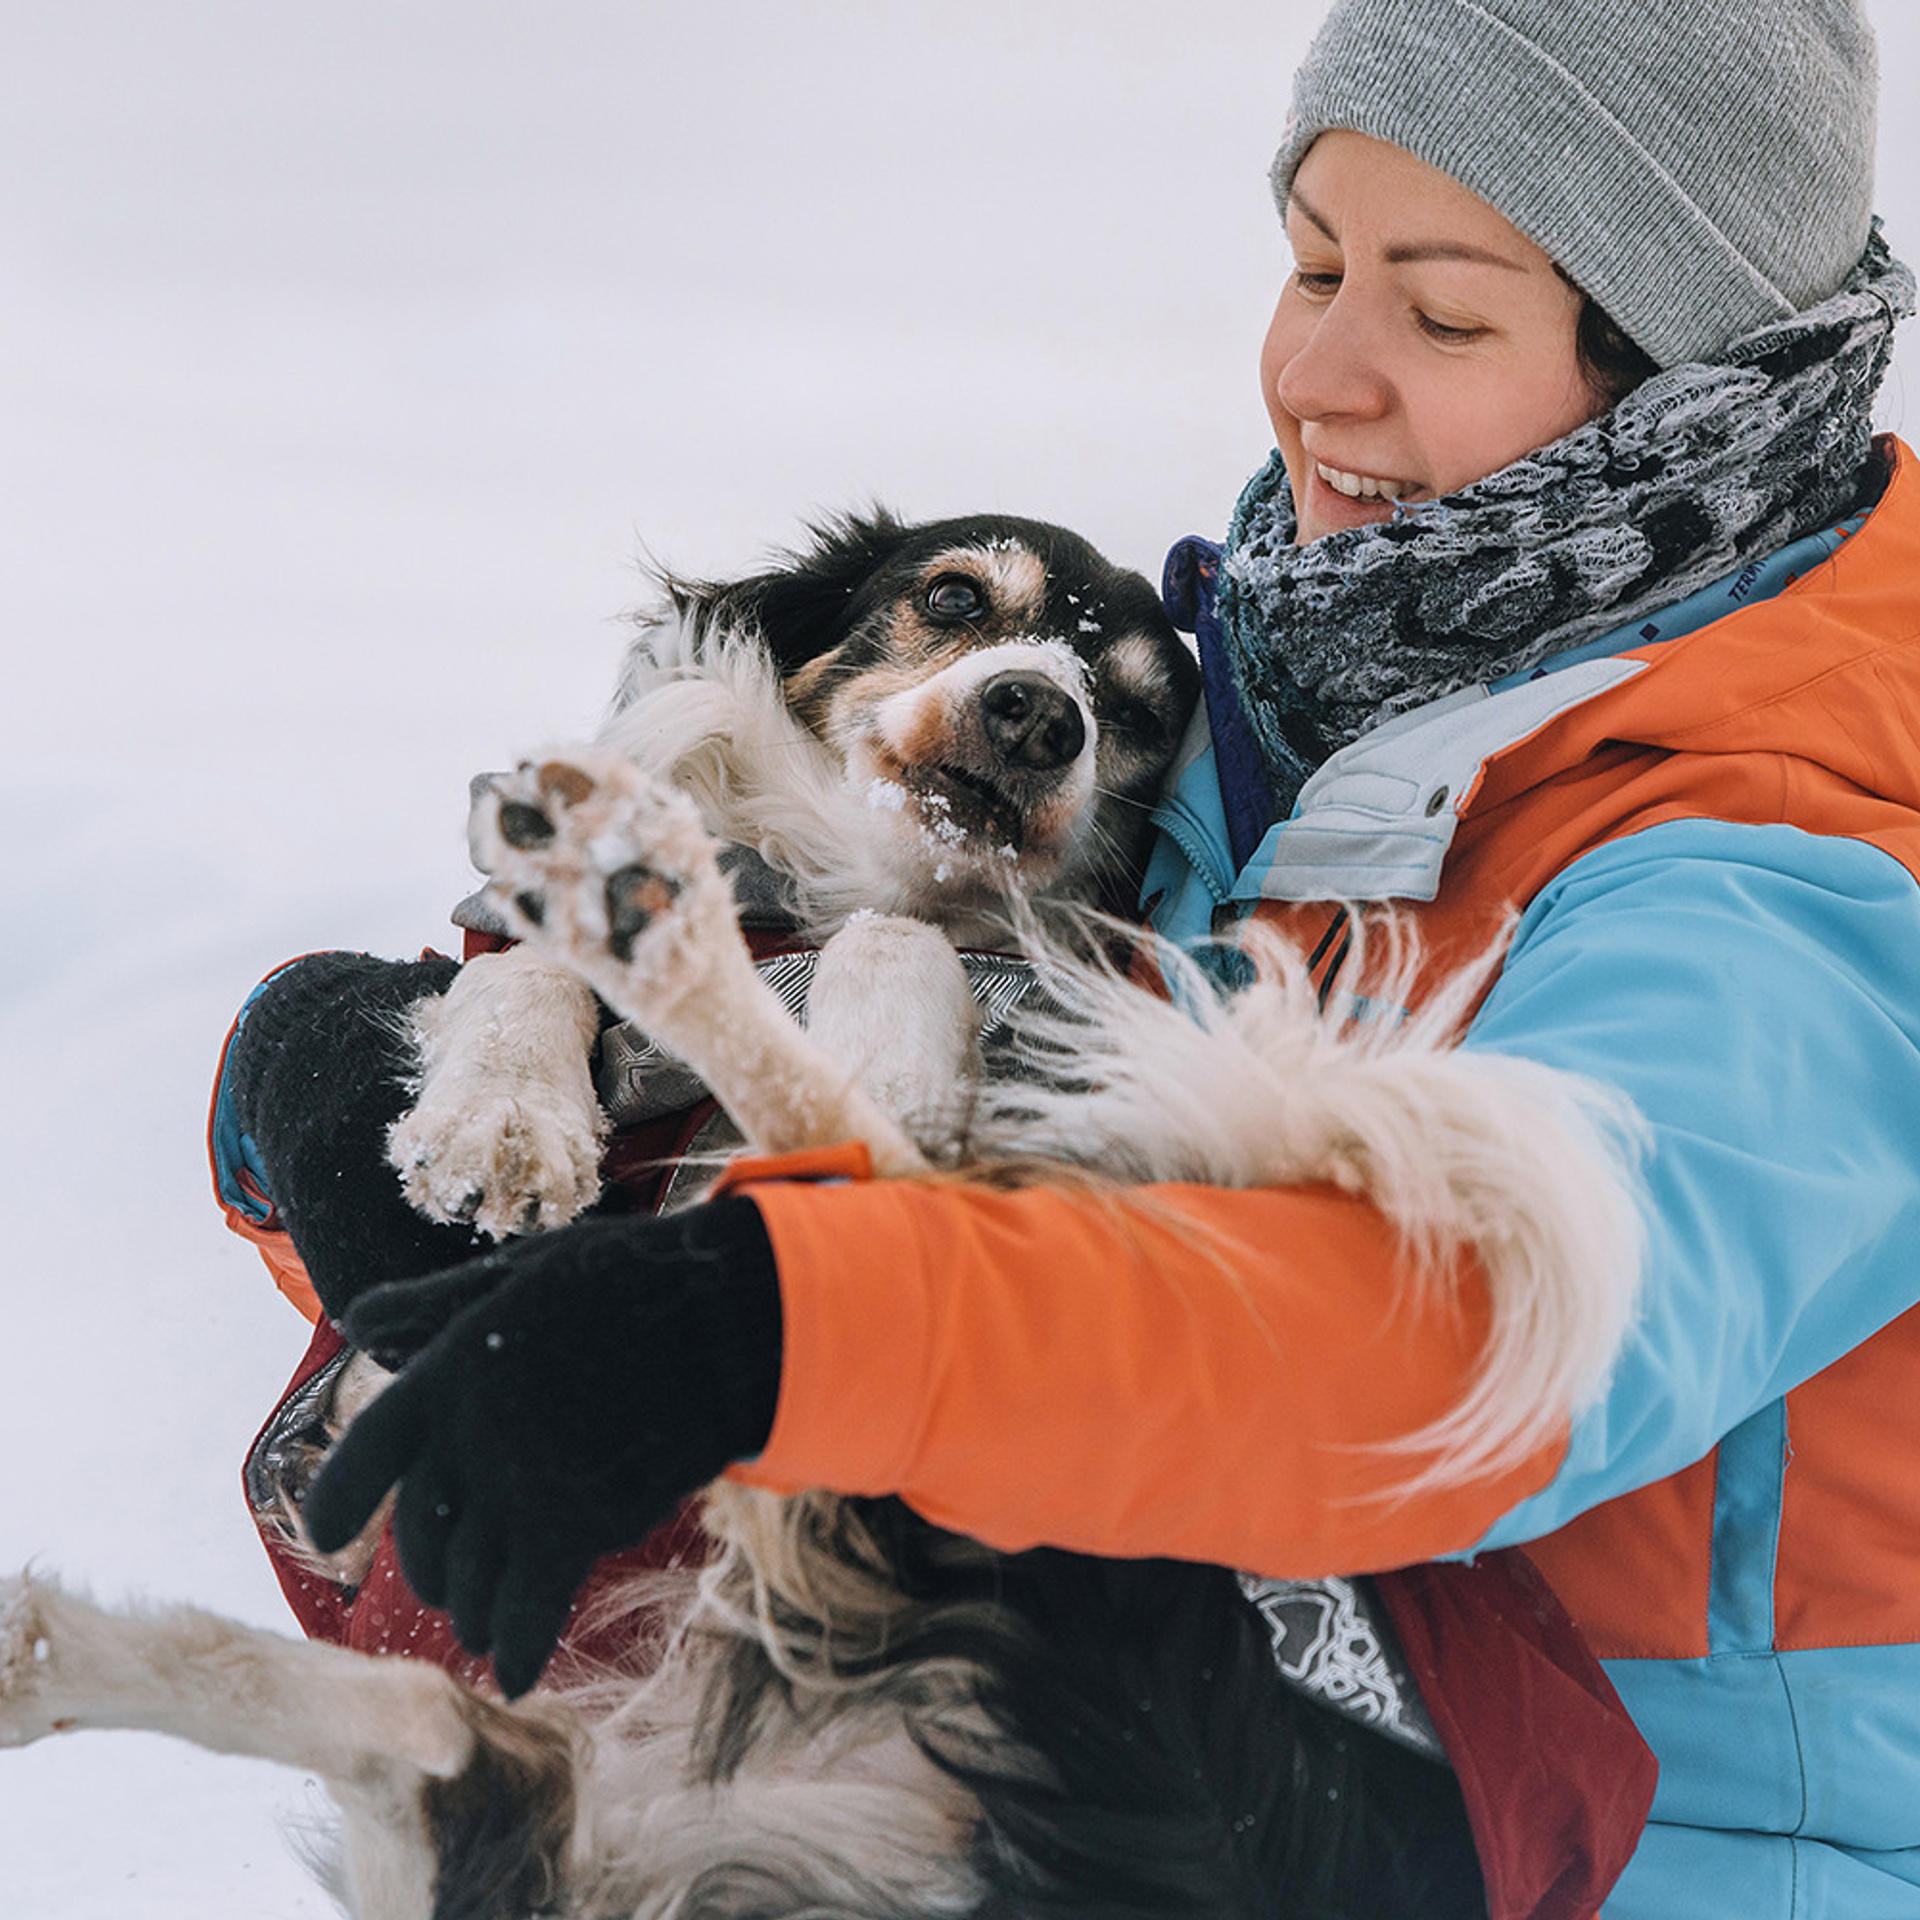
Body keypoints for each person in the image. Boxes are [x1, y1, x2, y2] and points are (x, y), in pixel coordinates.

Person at [215, 0, 1920, 1909]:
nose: (1320, 379)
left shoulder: (1792, 875)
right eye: (1313, 267)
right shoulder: (1292, 703)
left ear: (1683, 383)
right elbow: (903, 1187)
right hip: (978, 1764)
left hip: (1617, 1852)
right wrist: (408, 1156)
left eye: (1441, 316)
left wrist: (768, 1327)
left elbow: (1447, 1336)